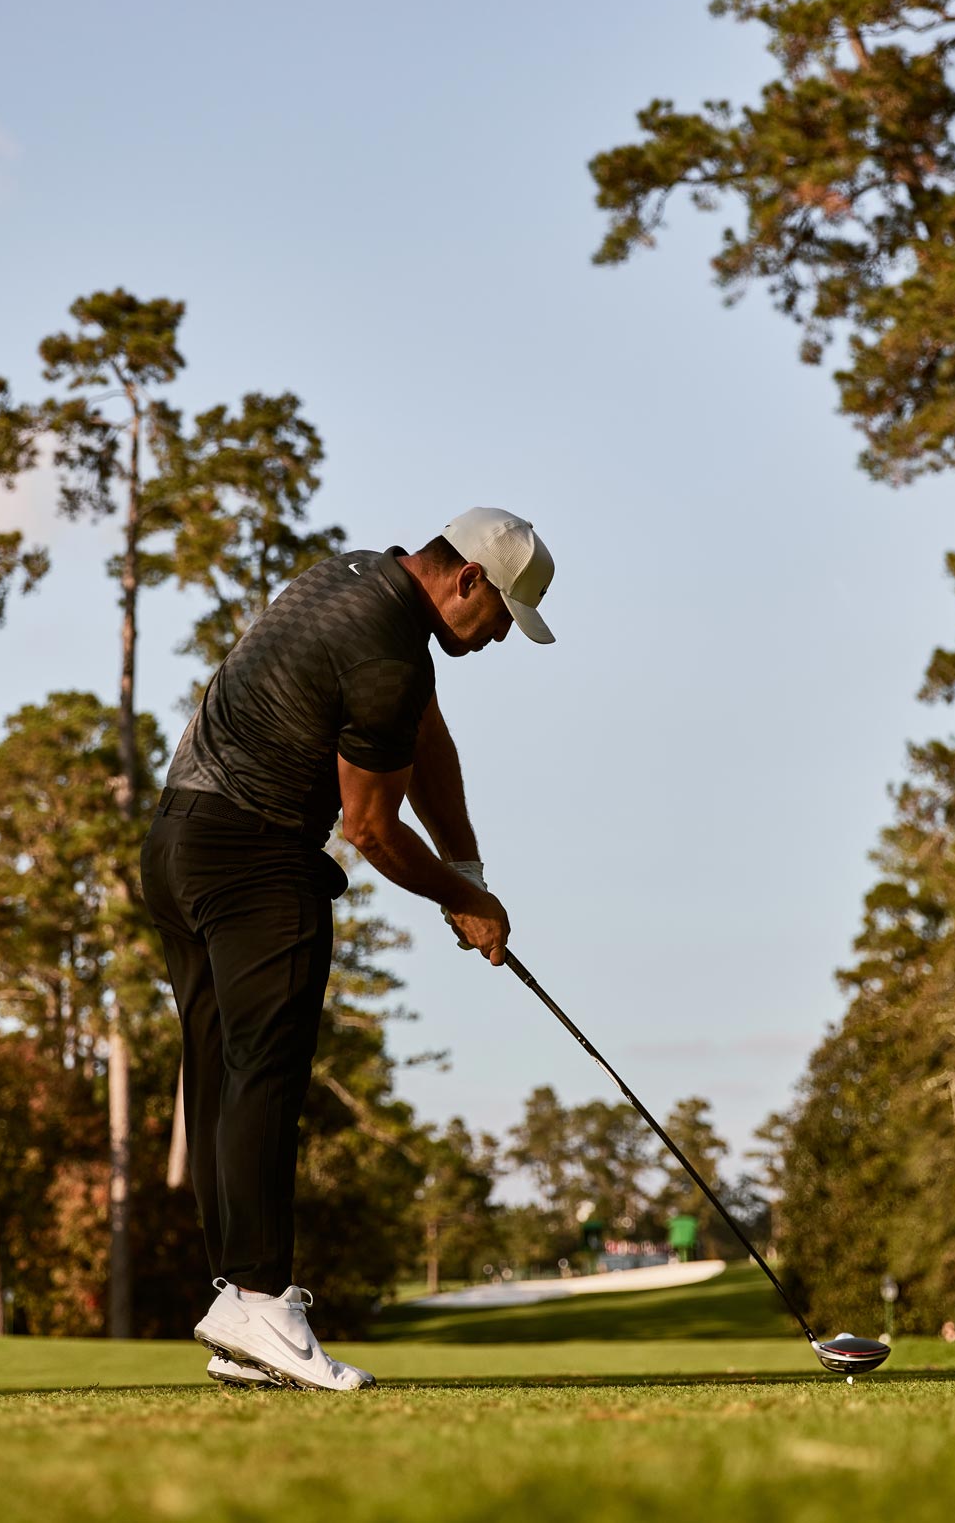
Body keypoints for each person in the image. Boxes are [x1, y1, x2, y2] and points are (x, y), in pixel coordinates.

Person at [140, 507, 555, 1392]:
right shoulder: (388, 657)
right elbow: (369, 827)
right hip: (253, 858)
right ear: (468, 580)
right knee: (265, 1074)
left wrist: (466, 867)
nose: (498, 639)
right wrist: (465, 902)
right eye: (501, 617)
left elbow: (423, 737)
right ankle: (261, 1300)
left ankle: (237, 1311)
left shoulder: (356, 579)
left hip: (176, 844)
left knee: (221, 1074)